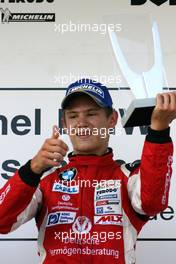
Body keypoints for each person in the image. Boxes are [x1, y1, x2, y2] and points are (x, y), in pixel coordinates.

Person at [0, 79, 176, 264]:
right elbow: (2, 221)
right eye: (73, 116)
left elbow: (152, 203)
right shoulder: (44, 179)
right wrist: (32, 169)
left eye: (91, 114)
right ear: (65, 124)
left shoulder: (127, 177)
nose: (81, 123)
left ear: (112, 119)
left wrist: (159, 131)